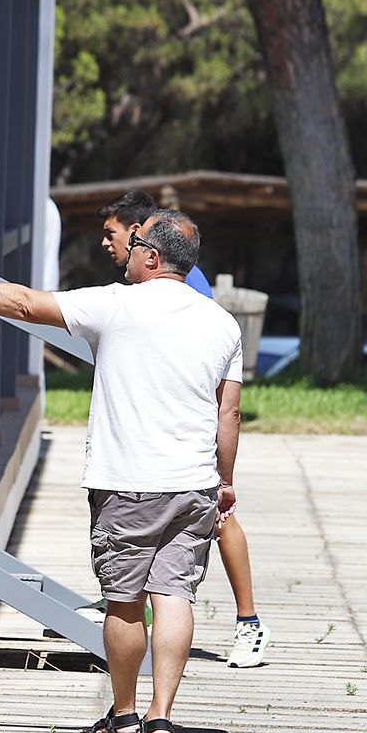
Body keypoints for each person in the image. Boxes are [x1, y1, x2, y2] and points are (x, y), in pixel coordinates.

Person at [0, 209, 242, 733]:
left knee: (124, 601)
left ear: (152, 258)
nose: (128, 246)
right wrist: (224, 481)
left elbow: (26, 303)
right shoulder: (222, 322)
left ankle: (122, 715)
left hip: (127, 483)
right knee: (174, 596)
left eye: (136, 239)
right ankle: (162, 718)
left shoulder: (115, 305)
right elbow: (228, 414)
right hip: (194, 483)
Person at [97, 190, 266, 667]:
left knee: (221, 518)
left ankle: (248, 621)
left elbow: (218, 399)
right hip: (181, 457)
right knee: (185, 561)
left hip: (179, 449)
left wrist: (223, 474)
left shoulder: (185, 291)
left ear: (139, 240)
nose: (106, 246)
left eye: (113, 236)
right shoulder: (151, 280)